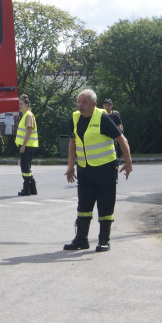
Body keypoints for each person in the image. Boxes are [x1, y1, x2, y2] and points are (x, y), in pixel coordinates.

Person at [64, 89, 133, 252]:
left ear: (94, 104)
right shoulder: (75, 117)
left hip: (105, 169)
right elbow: (72, 142)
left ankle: (104, 240)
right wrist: (70, 166)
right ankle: (81, 239)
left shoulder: (103, 118)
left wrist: (128, 162)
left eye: (84, 102)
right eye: (78, 102)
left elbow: (121, 139)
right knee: (84, 204)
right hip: (85, 169)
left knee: (105, 205)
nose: (80, 105)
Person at [15, 94, 38, 196]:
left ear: (27, 104)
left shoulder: (28, 115)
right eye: (19, 104)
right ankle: (32, 188)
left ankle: (26, 189)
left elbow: (29, 131)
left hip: (27, 146)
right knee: (26, 167)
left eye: (21, 104)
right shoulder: (26, 115)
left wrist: (23, 146)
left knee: (25, 168)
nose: (19, 106)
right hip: (27, 145)